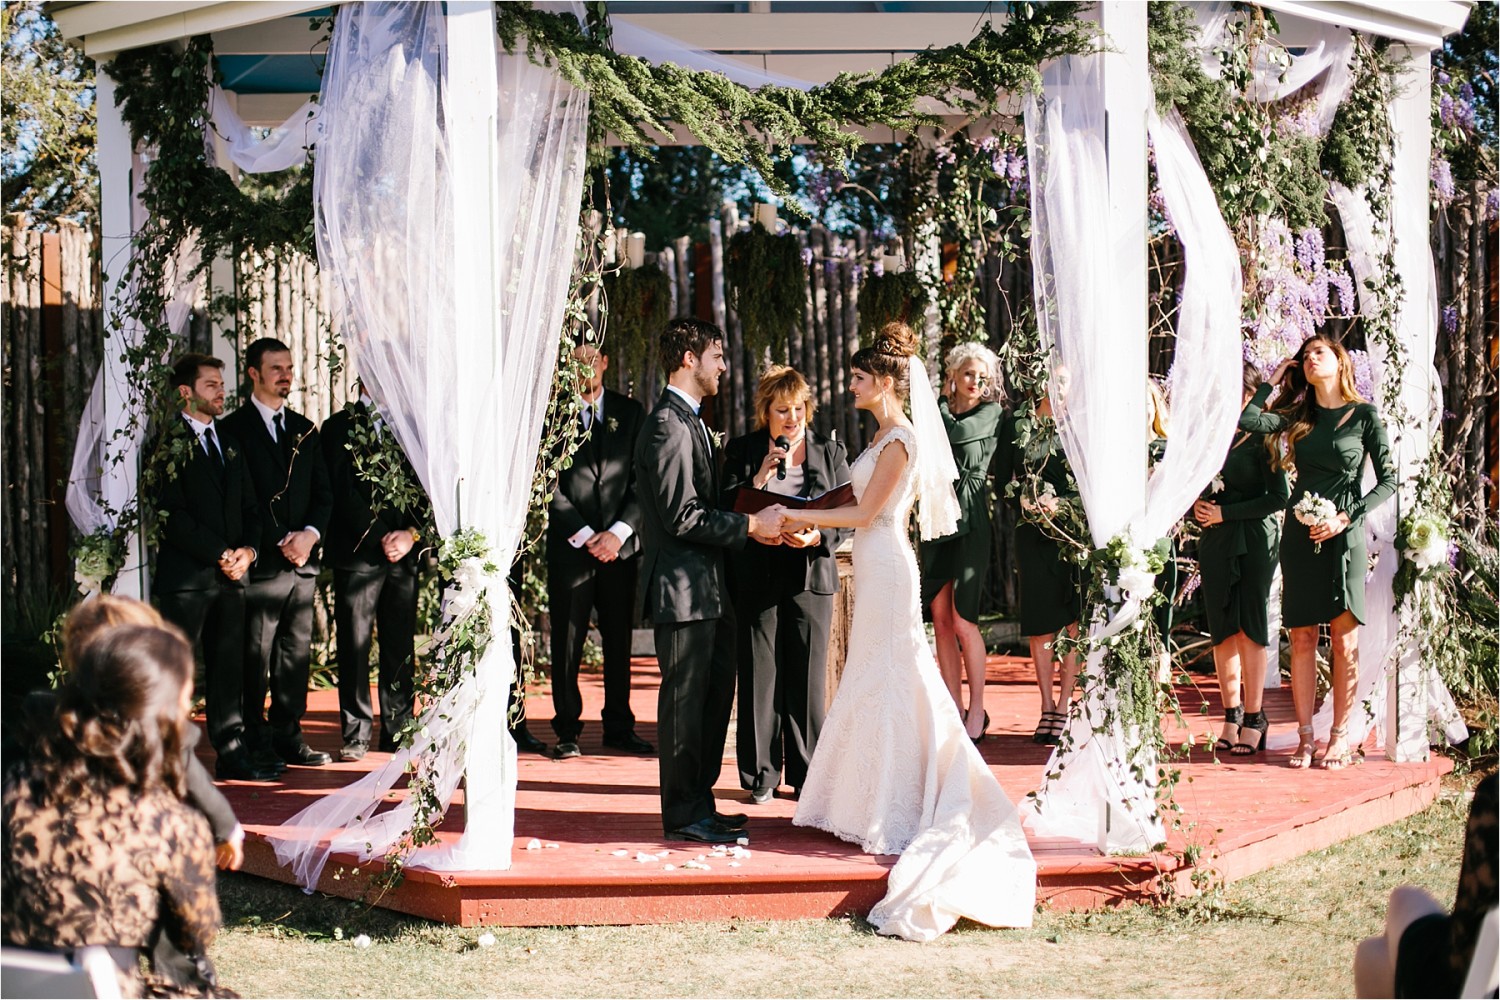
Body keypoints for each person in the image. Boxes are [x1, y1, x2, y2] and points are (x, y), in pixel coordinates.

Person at [764, 322, 1036, 942]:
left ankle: (897, 800)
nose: (851, 384)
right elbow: (855, 508)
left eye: (859, 377)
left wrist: (798, 515)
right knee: (873, 676)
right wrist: (817, 532)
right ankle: (864, 796)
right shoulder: (883, 436)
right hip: (873, 557)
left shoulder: (902, 440)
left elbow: (867, 513)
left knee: (895, 675)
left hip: (887, 563)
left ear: (885, 382)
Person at [3, 623, 227, 997]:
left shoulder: (14, 784)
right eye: (185, 699)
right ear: (161, 714)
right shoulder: (174, 824)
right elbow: (197, 931)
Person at [634, 318, 782, 845]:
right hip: (683, 592)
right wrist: (749, 525)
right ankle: (682, 814)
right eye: (716, 356)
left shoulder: (693, 421)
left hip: (709, 591)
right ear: (688, 359)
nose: (723, 365)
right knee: (684, 709)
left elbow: (705, 500)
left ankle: (702, 803)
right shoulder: (667, 426)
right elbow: (682, 516)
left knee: (713, 704)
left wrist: (754, 488)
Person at [1240, 336, 1397, 768]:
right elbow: (1253, 420)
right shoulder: (1300, 414)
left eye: (1318, 353)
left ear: (1339, 362)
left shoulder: (1365, 416)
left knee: (1345, 643)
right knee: (1303, 636)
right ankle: (1306, 737)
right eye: (1305, 356)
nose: (1310, 359)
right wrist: (1272, 382)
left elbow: (1388, 481)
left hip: (1344, 533)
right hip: (1300, 533)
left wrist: (1346, 518)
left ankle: (1340, 736)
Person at [720, 365, 850, 803]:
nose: (791, 418)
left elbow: (846, 511)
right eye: (782, 410)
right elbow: (724, 504)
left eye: (798, 409)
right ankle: (761, 775)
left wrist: (819, 535)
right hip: (758, 572)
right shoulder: (743, 450)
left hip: (810, 572)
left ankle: (806, 771)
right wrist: (758, 477)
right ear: (766, 413)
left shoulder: (830, 452)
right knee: (759, 674)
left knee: (808, 675)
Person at [153, 353, 275, 782]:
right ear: (186, 392)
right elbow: (172, 515)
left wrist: (248, 552)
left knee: (229, 669)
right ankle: (170, 760)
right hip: (188, 579)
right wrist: (220, 553)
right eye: (211, 385)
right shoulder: (167, 444)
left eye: (222, 384)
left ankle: (233, 752)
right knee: (177, 672)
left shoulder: (230, 442)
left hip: (232, 578)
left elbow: (251, 508)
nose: (221, 392)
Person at [220, 338, 333, 770]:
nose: (285, 375)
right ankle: (255, 739)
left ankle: (290, 734)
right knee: (255, 655)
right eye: (275, 368)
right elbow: (242, 500)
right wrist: (278, 541)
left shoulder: (305, 429)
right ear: (253, 373)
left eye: (289, 367)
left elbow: (323, 495)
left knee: (295, 655)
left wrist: (308, 535)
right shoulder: (233, 430)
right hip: (262, 564)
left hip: (303, 565)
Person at [547, 343, 651, 760]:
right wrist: (587, 533)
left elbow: (644, 479)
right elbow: (545, 482)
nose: (583, 366)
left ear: (606, 362)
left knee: (618, 640)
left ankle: (619, 726)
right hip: (572, 549)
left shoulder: (631, 413)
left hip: (619, 550)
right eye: (575, 359)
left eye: (591, 357)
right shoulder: (554, 415)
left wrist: (620, 533)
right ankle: (567, 728)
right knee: (567, 641)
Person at [320, 380, 432, 761]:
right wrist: (381, 536)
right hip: (358, 554)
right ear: (366, 377)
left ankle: (399, 727)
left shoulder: (413, 426)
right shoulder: (339, 426)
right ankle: (355, 733)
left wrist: (411, 535)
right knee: (354, 644)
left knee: (399, 646)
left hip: (403, 556)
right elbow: (341, 491)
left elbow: (425, 486)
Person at [1191, 363, 1291, 756]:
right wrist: (1196, 507)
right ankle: (1230, 716)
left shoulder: (1264, 438)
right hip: (1216, 540)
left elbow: (1278, 498)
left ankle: (1255, 716)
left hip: (1253, 538)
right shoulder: (1208, 438)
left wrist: (1226, 514)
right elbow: (1187, 485)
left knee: (1249, 627)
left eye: (1237, 391)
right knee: (1222, 629)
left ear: (1253, 393)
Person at [920, 342, 1004, 743]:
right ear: (952, 375)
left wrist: (933, 402)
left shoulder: (989, 413)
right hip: (937, 517)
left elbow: (953, 435)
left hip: (969, 519)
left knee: (963, 620)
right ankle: (953, 708)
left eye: (982, 378)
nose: (976, 383)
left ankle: (977, 710)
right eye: (969, 373)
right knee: (939, 619)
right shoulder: (937, 411)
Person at [1354, 771, 1496, 998]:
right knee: (1371, 955)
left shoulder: (1495, 796)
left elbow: (1473, 935)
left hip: (1471, 982)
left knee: (1402, 900)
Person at [994, 385, 1083, 746]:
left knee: (1073, 622)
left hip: (1074, 536)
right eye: (1052, 380)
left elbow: (1093, 481)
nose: (1059, 389)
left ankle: (1065, 704)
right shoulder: (1016, 423)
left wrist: (1064, 506)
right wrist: (1026, 502)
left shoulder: (1081, 422)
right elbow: (1002, 482)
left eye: (1065, 382)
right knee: (1040, 624)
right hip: (1032, 535)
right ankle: (1046, 705)